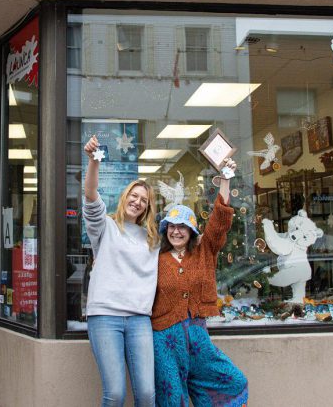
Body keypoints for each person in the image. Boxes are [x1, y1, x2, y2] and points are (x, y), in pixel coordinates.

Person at [152, 157, 248, 407]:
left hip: (197, 335)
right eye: (171, 226)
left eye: (183, 227)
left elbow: (219, 222)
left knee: (233, 380)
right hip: (164, 338)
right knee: (172, 397)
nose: (176, 231)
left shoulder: (205, 250)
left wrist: (225, 180)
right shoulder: (156, 259)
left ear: (192, 231)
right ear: (165, 230)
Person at [81, 134, 160, 406]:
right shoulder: (105, 227)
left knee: (147, 394)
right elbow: (91, 196)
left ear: (148, 208)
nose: (137, 201)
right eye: (134, 195)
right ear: (125, 196)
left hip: (139, 320)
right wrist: (93, 161)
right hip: (105, 317)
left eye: (144, 200)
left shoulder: (153, 240)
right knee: (114, 394)